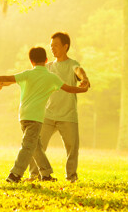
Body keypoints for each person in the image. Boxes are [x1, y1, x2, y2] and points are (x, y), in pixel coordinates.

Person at [0, 46, 89, 183]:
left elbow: (6, 78)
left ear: (31, 61)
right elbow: (69, 89)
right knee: (29, 146)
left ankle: (43, 174)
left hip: (23, 117)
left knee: (35, 146)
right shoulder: (52, 77)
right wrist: (84, 89)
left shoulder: (27, 74)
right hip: (36, 118)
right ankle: (16, 174)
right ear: (46, 60)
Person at [28, 32, 90, 183]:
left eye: (55, 45)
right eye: (51, 46)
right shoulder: (47, 67)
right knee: (36, 144)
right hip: (47, 115)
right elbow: (30, 76)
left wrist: (84, 79)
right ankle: (34, 175)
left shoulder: (72, 64)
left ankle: (71, 177)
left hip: (68, 115)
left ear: (65, 46)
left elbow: (79, 71)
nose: (52, 48)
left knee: (72, 149)